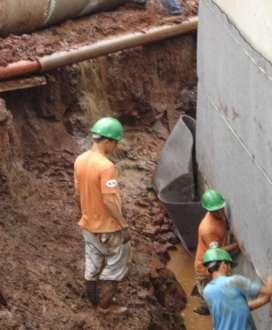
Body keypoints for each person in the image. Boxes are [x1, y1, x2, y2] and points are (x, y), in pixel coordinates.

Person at [74, 117, 130, 315]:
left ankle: (93, 303)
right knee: (115, 265)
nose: (115, 147)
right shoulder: (106, 166)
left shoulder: (80, 160)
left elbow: (77, 193)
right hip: (108, 227)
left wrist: (84, 214)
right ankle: (105, 306)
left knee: (93, 263)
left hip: (88, 223)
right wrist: (122, 224)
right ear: (108, 141)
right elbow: (109, 200)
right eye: (116, 142)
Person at [193, 189, 239, 315]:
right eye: (215, 211)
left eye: (220, 208)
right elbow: (216, 252)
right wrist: (237, 245)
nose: (220, 212)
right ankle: (207, 308)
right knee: (210, 292)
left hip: (215, 260)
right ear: (209, 210)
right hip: (206, 265)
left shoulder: (219, 213)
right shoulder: (208, 229)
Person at [202, 246, 272, 330]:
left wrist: (265, 300)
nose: (229, 269)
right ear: (224, 265)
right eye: (229, 266)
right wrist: (270, 280)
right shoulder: (235, 281)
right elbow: (268, 291)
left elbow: (237, 308)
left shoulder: (207, 291)